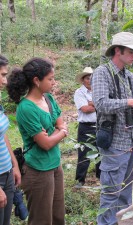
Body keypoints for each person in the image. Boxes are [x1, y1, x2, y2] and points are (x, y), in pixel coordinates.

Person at [91, 32, 133, 225]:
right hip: (114, 143)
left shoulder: (130, 77)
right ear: (117, 51)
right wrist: (130, 102)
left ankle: (123, 222)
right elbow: (100, 104)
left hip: (132, 141)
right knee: (111, 192)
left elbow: (131, 108)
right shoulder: (102, 73)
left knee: (126, 190)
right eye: (131, 51)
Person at [7, 58, 67, 225]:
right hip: (38, 170)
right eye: (50, 79)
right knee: (41, 219)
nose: (53, 82)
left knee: (58, 216)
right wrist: (61, 133)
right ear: (36, 81)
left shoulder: (48, 98)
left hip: (55, 164)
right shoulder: (26, 108)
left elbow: (61, 122)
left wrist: (56, 132)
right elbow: (45, 144)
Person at [0, 55, 21, 225]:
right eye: (2, 75)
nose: (5, 81)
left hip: (6, 174)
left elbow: (3, 135)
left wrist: (14, 165)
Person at [74, 67, 99, 187]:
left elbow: (105, 105)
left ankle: (100, 176)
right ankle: (80, 180)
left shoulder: (98, 91)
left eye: (92, 78)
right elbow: (85, 109)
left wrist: (91, 103)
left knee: (101, 151)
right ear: (83, 80)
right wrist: (98, 104)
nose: (90, 80)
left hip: (99, 125)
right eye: (88, 78)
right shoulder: (79, 92)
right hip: (86, 126)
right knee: (84, 153)